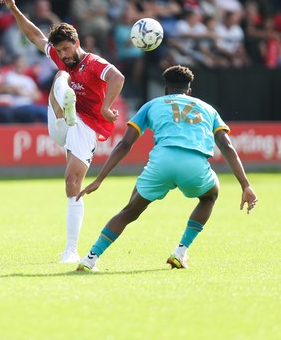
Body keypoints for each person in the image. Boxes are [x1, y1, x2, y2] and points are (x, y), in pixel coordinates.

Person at [76, 64, 258, 272]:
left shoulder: (152, 105)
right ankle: (180, 251)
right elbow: (226, 146)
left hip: (162, 161)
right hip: (195, 164)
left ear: (165, 89)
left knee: (130, 211)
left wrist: (99, 179)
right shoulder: (208, 109)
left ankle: (90, 258)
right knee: (209, 196)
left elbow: (125, 144)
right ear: (189, 90)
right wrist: (246, 185)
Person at [0, 0, 125, 263]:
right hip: (61, 119)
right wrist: (15, 8)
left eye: (67, 49)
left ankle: (71, 249)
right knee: (61, 74)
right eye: (60, 51)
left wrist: (106, 106)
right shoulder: (59, 58)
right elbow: (35, 36)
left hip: (86, 125)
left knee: (72, 181)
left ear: (77, 43)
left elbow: (118, 76)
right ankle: (64, 106)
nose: (64, 54)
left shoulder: (94, 63)